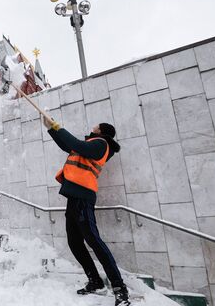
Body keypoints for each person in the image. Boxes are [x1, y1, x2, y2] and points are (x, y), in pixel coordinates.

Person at [43, 116, 129, 306]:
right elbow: (69, 146)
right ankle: (95, 281)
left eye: (97, 125)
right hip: (74, 198)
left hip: (83, 198)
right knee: (74, 242)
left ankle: (120, 290)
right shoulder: (90, 143)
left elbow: (76, 144)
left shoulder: (101, 144)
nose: (93, 125)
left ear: (102, 131)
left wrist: (59, 126)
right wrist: (51, 129)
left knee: (94, 242)